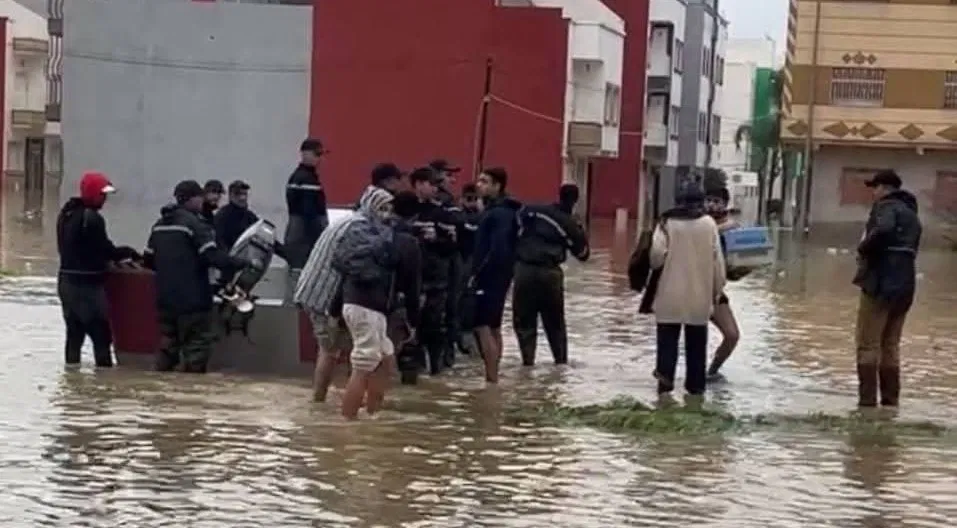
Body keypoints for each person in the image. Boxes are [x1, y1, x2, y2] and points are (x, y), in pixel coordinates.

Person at [330, 190, 421, 419]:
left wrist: (335, 309)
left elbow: (345, 273)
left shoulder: (365, 232)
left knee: (385, 358)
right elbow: (412, 285)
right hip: (368, 308)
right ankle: (348, 423)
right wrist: (414, 321)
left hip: (359, 305)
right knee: (363, 365)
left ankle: (372, 415)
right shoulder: (402, 241)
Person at [142, 180, 249, 373]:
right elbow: (212, 256)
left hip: (165, 300)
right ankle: (191, 388)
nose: (202, 201)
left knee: (168, 348)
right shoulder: (195, 225)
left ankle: (159, 385)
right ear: (192, 199)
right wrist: (240, 262)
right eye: (200, 197)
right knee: (196, 351)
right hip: (193, 301)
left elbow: (148, 260)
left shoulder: (158, 225)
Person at [295, 185, 386, 402]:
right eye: (382, 209)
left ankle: (326, 400)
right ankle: (318, 401)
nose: (386, 215)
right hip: (323, 295)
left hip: (316, 291)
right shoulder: (359, 227)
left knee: (335, 349)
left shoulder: (349, 221)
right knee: (330, 350)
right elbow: (350, 265)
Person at [648, 184, 726, 396]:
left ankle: (664, 392)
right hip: (699, 299)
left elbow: (656, 257)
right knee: (696, 352)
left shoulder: (667, 222)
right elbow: (718, 264)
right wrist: (717, 292)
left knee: (667, 348)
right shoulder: (709, 224)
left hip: (669, 297)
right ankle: (695, 393)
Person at [56, 172, 140, 368]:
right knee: (101, 336)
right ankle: (103, 380)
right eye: (102, 195)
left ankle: (72, 378)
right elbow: (105, 250)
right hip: (88, 287)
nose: (104, 200)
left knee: (74, 336)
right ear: (93, 193)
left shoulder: (66, 214)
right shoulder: (92, 218)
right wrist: (129, 253)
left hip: (66, 283)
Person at [853, 170, 921, 408]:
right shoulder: (912, 214)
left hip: (879, 283)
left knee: (868, 343)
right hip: (905, 285)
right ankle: (891, 403)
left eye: (875, 187)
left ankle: (867, 403)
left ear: (884, 188)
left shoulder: (885, 207)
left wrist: (863, 248)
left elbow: (883, 230)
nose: (873, 192)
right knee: (891, 344)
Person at [512, 183, 590, 366]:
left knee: (524, 322)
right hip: (550, 274)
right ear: (576, 200)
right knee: (555, 324)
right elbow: (583, 255)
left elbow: (515, 226)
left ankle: (527, 363)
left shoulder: (533, 211)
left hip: (524, 270)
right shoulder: (569, 224)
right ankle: (560, 364)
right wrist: (580, 230)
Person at [471, 167, 523, 383]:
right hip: (502, 276)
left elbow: (497, 248)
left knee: (483, 326)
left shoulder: (498, 214)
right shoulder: (507, 211)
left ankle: (491, 378)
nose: (479, 185)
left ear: (497, 186)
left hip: (489, 277)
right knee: (494, 326)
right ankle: (494, 376)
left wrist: (478, 274)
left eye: (484, 181)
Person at [410, 167, 458, 375]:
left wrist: (435, 239)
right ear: (418, 184)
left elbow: (452, 246)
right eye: (431, 184)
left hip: (435, 279)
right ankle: (413, 369)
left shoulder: (441, 213)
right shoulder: (406, 208)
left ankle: (436, 369)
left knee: (434, 324)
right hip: (410, 279)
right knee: (410, 325)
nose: (435, 189)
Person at [703, 186, 746, 381]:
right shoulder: (697, 222)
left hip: (715, 292)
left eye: (717, 201)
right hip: (691, 291)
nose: (712, 205)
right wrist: (722, 228)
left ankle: (712, 372)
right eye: (709, 200)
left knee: (732, 335)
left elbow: (734, 270)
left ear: (725, 204)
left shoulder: (733, 231)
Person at [430, 159, 467, 366]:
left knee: (450, 308)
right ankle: (444, 357)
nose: (452, 179)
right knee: (448, 308)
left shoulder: (449, 200)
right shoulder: (443, 201)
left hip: (450, 258)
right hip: (443, 261)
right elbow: (459, 224)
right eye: (448, 174)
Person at [213, 180, 287, 260]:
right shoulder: (222, 216)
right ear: (230, 196)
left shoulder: (249, 217)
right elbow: (219, 241)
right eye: (238, 194)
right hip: (227, 261)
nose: (242, 198)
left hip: (246, 261)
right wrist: (228, 260)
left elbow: (267, 239)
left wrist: (288, 255)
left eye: (244, 194)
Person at [285, 138, 329, 272]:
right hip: (304, 242)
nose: (320, 159)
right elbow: (310, 214)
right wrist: (322, 239)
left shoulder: (299, 178)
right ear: (305, 154)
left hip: (297, 239)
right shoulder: (307, 180)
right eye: (317, 154)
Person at [457, 183, 484, 355]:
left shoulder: (483, 217)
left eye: (475, 199)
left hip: (478, 265)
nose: (472, 202)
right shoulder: (460, 217)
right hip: (463, 262)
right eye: (468, 199)